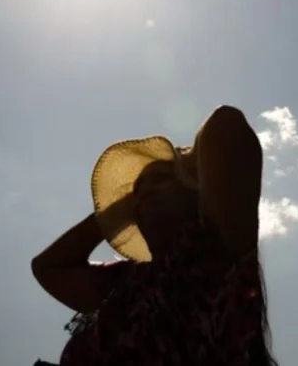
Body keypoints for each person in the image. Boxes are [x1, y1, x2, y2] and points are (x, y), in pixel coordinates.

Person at [31, 105, 278, 366]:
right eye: (135, 194)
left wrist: (184, 164)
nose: (142, 195)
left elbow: (227, 125)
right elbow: (48, 267)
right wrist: (121, 208)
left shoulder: (214, 252)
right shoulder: (123, 281)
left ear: (194, 188)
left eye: (161, 179)